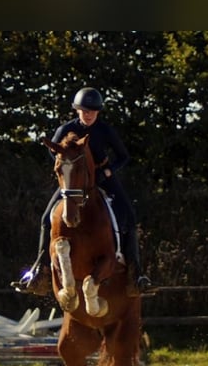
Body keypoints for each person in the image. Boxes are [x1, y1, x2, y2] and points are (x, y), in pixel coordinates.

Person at [11, 87, 152, 297]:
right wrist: (68, 172)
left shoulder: (105, 131)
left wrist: (107, 170)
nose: (88, 115)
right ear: (77, 110)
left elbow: (124, 157)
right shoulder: (65, 129)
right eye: (84, 111)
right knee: (45, 219)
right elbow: (54, 154)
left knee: (129, 216)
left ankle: (136, 274)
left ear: (98, 112)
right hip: (74, 182)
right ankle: (39, 270)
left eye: (92, 111)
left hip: (102, 178)